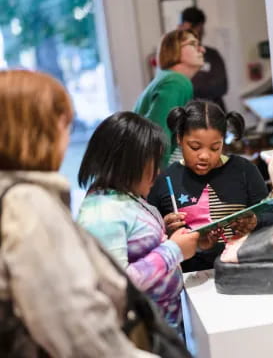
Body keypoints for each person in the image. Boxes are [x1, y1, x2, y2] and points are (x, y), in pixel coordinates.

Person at [0, 70, 157, 357]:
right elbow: (77, 326)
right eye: (64, 125)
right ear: (38, 129)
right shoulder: (27, 204)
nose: (66, 136)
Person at [76, 111, 199, 334]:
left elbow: (136, 243)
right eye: (153, 162)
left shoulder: (124, 195)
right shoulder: (102, 213)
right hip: (142, 336)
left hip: (163, 328)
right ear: (131, 162)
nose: (158, 171)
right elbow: (116, 286)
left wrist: (165, 233)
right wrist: (173, 250)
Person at [148, 101, 273, 272]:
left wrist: (255, 220)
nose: (204, 155)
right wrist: (164, 228)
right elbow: (147, 238)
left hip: (244, 268)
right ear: (179, 138)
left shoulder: (244, 170)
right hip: (192, 277)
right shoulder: (166, 179)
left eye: (215, 147)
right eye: (195, 147)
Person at [134, 29, 205, 167]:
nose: (202, 49)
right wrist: (162, 183)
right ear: (174, 50)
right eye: (193, 44)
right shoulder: (176, 82)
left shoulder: (167, 79)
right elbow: (159, 138)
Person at [179, 7, 228, 111]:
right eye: (190, 28)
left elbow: (221, 86)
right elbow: (176, 90)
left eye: (198, 27)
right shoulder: (176, 57)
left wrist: (190, 87)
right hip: (189, 117)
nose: (196, 32)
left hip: (215, 115)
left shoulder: (212, 55)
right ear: (182, 28)